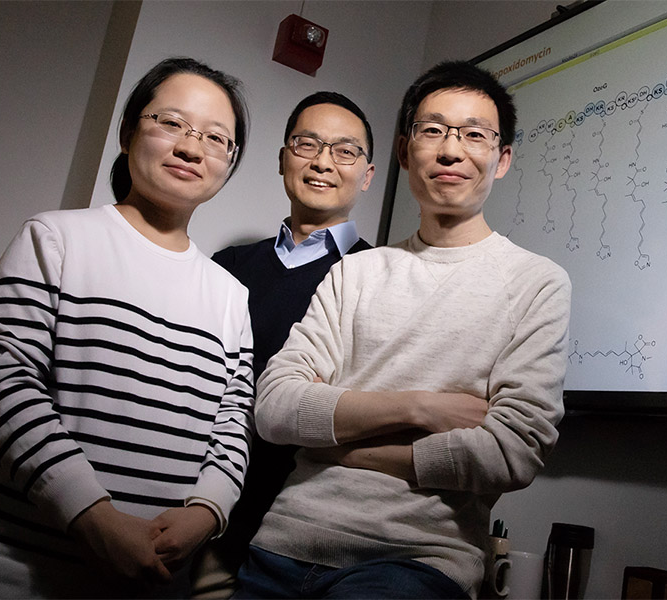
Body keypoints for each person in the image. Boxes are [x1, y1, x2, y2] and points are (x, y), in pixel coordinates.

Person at [236, 60, 572, 599]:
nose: (450, 150)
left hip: (418, 562)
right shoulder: (355, 271)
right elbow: (275, 407)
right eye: (432, 130)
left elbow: (512, 450)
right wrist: (420, 409)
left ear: (502, 158)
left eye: (474, 135)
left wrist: (334, 445)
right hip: (282, 541)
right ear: (403, 151)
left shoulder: (536, 283)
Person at [0, 57, 254, 599]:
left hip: (150, 582)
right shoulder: (56, 237)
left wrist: (207, 511)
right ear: (128, 132)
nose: (192, 147)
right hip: (5, 570)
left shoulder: (231, 296)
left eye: (217, 138)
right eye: (171, 123)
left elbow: (233, 423)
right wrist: (93, 516)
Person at [190, 91, 375, 598]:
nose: (322, 162)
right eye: (307, 143)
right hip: (190, 513)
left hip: (297, 541)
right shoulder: (225, 267)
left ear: (367, 173)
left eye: (344, 150)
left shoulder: (379, 276)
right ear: (282, 158)